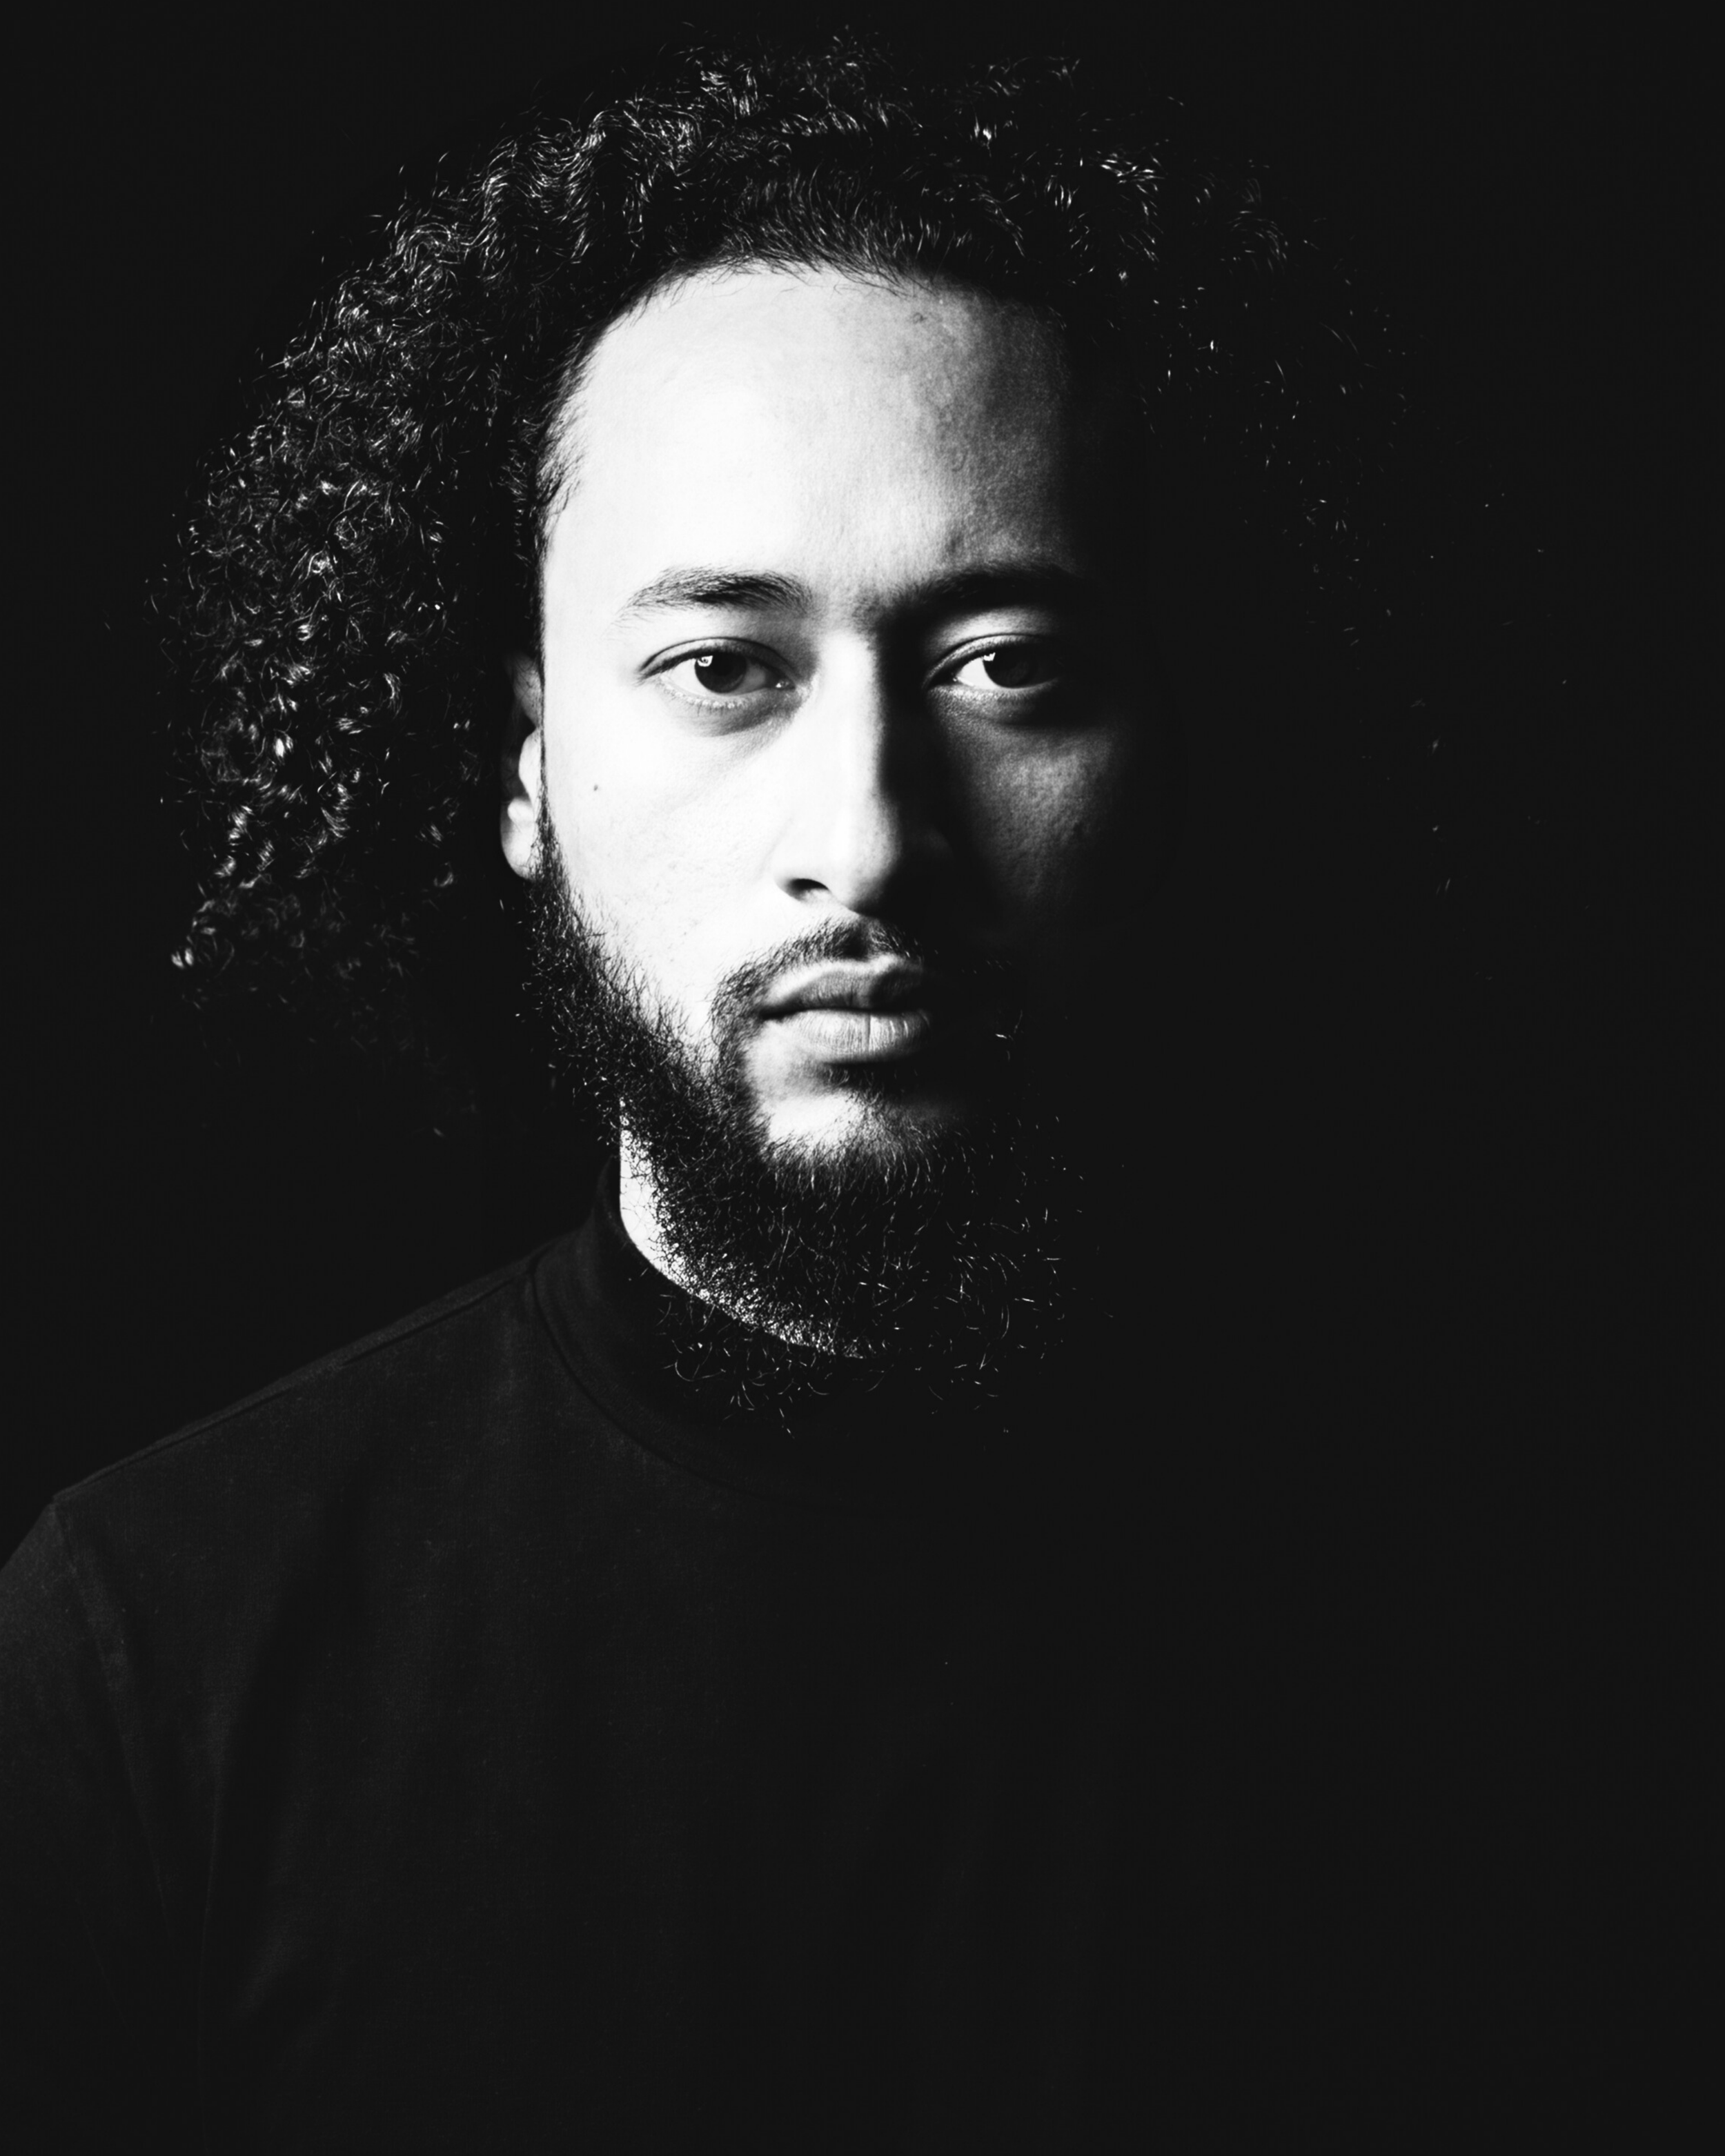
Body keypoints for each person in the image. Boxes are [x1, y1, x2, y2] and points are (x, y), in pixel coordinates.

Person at [0, 34, 1628, 2148]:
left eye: (1003, 665)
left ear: (1169, 738)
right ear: (523, 766)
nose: (864, 836)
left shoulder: (1538, 1653)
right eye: (722, 668)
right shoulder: (143, 1661)